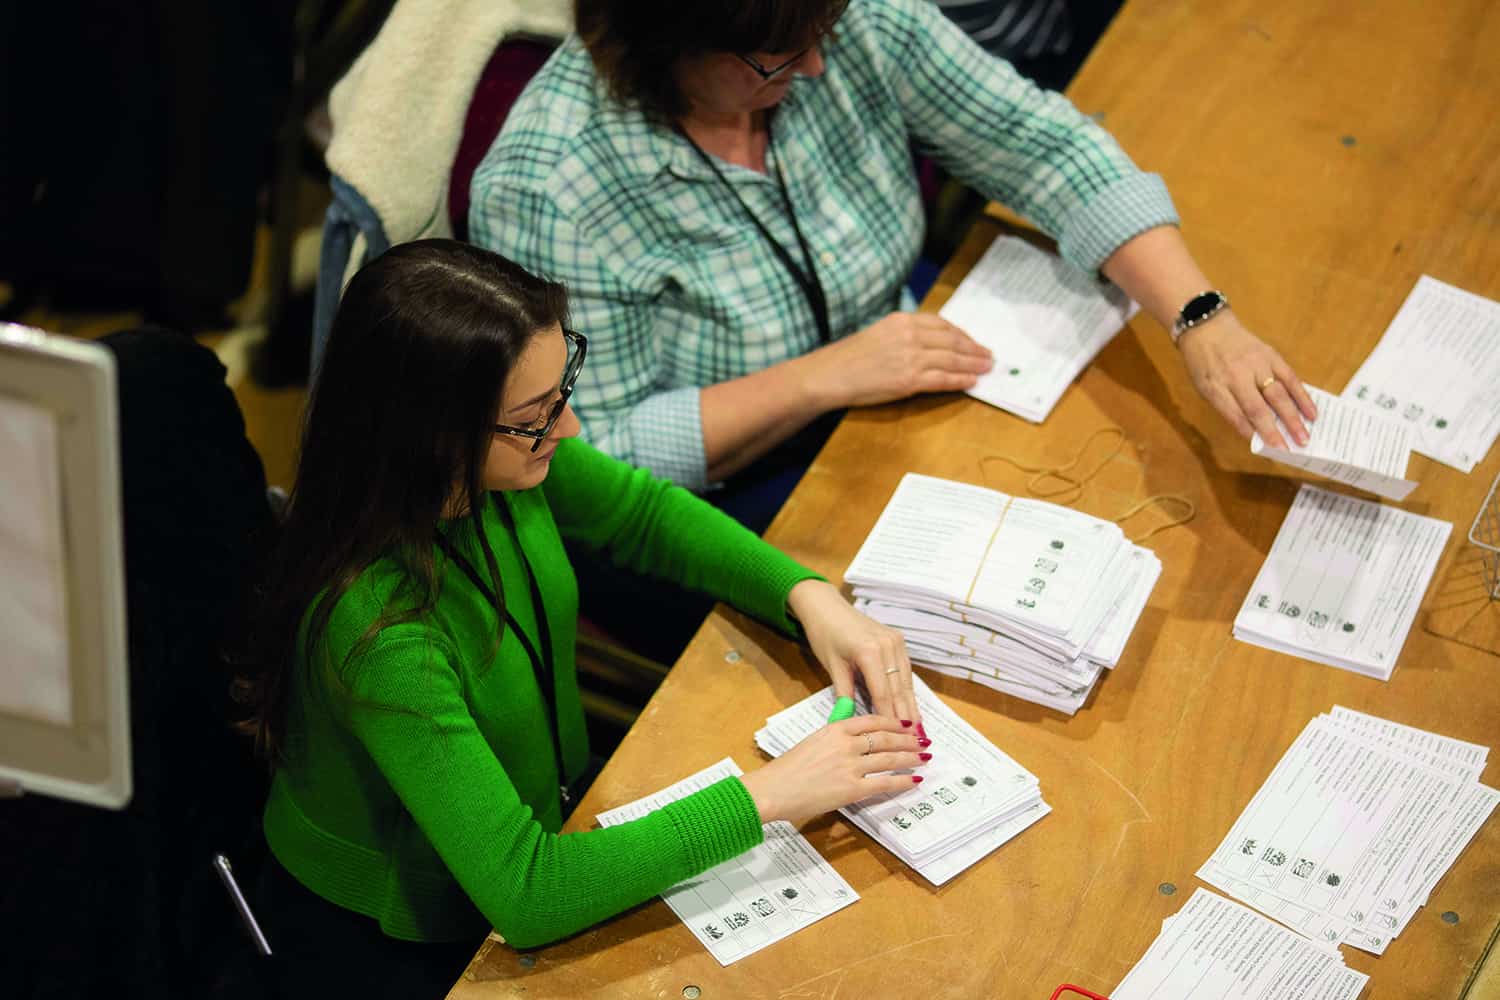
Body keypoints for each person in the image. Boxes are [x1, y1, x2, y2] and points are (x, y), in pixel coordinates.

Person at [234, 239, 929, 998]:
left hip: (545, 819)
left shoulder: (498, 470)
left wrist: (808, 597)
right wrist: (773, 795)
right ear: (435, 435)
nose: (565, 430)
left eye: (562, 389)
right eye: (536, 417)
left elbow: (643, 515)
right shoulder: (379, 630)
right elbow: (529, 894)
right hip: (406, 939)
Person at [472, 0, 1318, 510]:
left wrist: (1203, 319)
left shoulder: (838, 23)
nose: (817, 64)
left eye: (823, 29)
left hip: (889, 379)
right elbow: (587, 461)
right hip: (729, 487)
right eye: (779, 58)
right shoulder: (554, 185)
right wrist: (821, 376)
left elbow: (1041, 147)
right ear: (667, 45)